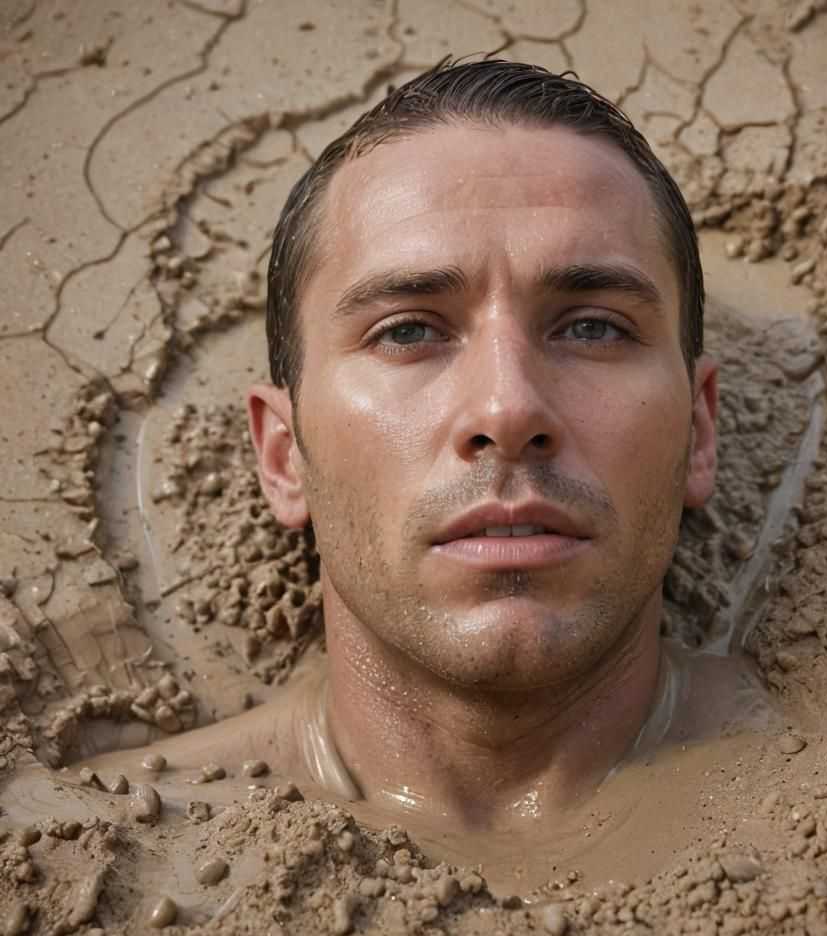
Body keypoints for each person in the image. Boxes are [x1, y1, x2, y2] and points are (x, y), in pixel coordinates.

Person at [74, 58, 723, 836]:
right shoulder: (76, 845)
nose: (507, 407)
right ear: (284, 456)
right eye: (408, 330)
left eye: (592, 327)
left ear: (698, 431)